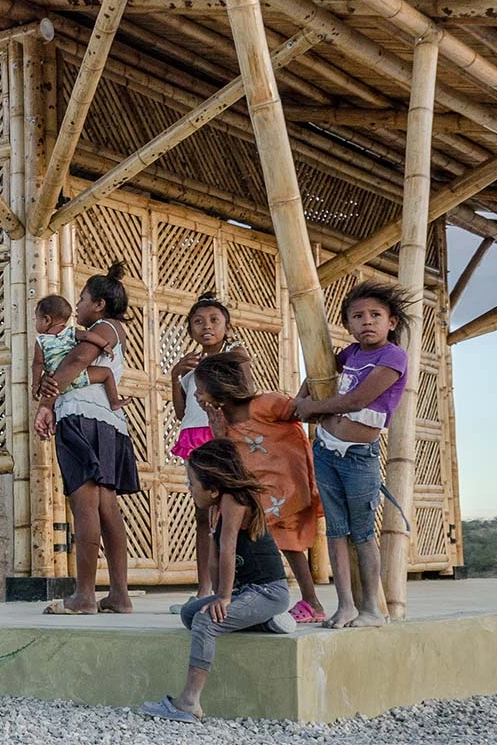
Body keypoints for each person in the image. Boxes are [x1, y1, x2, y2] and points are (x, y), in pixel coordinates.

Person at [141, 439, 291, 723]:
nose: (188, 487)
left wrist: (223, 597)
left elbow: (228, 549)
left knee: (206, 622)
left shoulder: (236, 500)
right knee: (190, 613)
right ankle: (265, 621)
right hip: (249, 592)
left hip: (269, 591)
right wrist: (212, 592)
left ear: (214, 487)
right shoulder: (220, 503)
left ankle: (188, 702)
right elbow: (214, 556)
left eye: (192, 482)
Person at [294, 280, 413, 629]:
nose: (367, 322)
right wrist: (302, 398)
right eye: (357, 316)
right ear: (347, 323)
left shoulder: (393, 356)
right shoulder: (351, 354)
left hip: (359, 455)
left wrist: (311, 408)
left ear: (391, 322)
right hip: (327, 450)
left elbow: (357, 400)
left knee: (362, 533)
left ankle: (371, 610)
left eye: (376, 315)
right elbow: (321, 371)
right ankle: (344, 605)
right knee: (336, 530)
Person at [34, 262, 140, 615]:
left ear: (98, 304)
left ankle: (84, 595)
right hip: (108, 423)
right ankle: (119, 595)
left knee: (84, 505)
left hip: (81, 416)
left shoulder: (104, 327)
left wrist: (46, 404)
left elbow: (78, 361)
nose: (77, 306)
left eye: (82, 299)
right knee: (106, 506)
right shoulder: (109, 330)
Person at [193, 351, 325, 624]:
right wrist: (217, 432)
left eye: (200, 389)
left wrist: (315, 382)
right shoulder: (222, 419)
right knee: (257, 541)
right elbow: (228, 455)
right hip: (258, 491)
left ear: (220, 388)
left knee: (287, 544)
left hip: (285, 485)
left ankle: (309, 601)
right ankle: (254, 593)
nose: (197, 395)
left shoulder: (265, 404)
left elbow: (297, 408)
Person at [169, 294, 254, 597]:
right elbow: (181, 413)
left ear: (227, 327)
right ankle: (204, 587)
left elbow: (247, 392)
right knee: (203, 514)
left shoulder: (234, 354)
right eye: (198, 321)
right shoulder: (190, 366)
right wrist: (175, 375)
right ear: (190, 330)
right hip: (194, 439)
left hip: (221, 437)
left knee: (230, 512)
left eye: (214, 320)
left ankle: (233, 584)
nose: (207, 326)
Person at [32, 294, 128, 419]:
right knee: (106, 373)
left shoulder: (41, 341)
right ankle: (114, 401)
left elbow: (38, 364)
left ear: (46, 320)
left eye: (82, 299)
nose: (77, 304)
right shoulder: (71, 332)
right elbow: (87, 336)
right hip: (80, 381)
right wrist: (104, 345)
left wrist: (36, 385)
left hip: (79, 405)